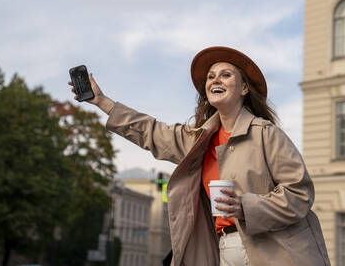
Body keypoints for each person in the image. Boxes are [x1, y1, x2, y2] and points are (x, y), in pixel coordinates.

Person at [68, 46, 330, 266]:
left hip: (276, 250)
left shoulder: (267, 135)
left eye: (226, 75)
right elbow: (150, 131)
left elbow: (299, 194)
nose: (215, 80)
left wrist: (244, 206)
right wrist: (102, 101)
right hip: (226, 248)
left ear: (243, 89)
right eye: (211, 76)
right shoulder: (197, 140)